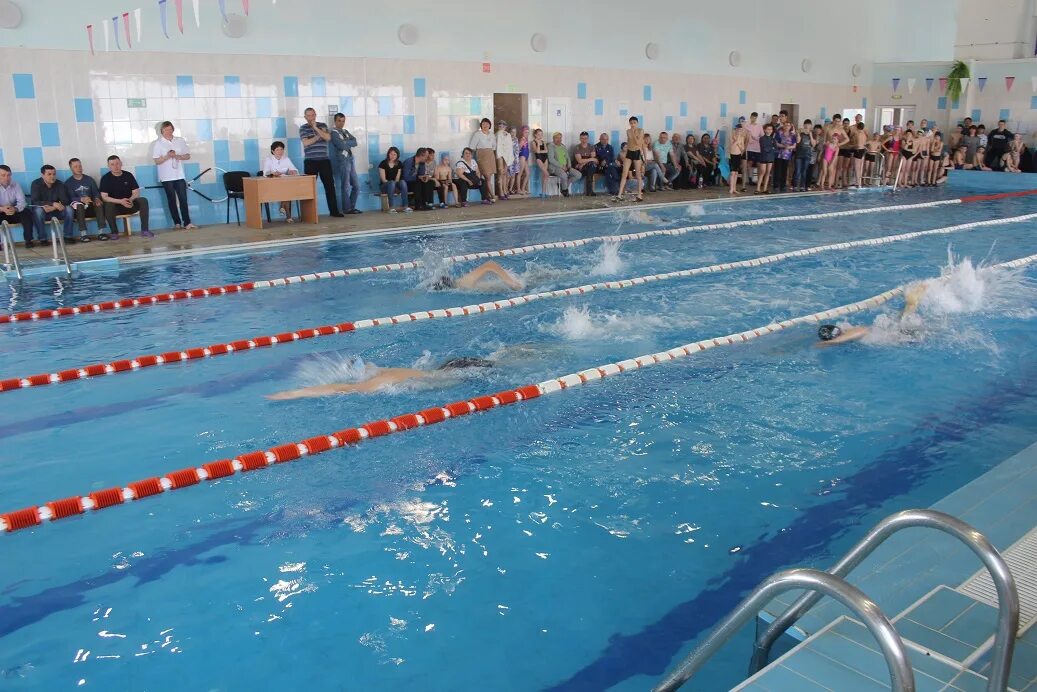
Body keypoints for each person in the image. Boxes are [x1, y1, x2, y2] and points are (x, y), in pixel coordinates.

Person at [266, 356, 496, 400]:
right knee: (500, 361)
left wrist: (296, 393)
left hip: (456, 373)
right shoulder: (382, 371)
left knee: (499, 367)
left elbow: (344, 389)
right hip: (449, 368)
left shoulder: (379, 381)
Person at [816, 284, 926, 347]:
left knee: (908, 324)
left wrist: (833, 342)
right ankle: (913, 300)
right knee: (901, 319)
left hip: (905, 336)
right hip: (896, 332)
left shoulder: (851, 333)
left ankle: (914, 299)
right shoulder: (848, 333)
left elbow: (863, 330)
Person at [151, 120, 197, 230]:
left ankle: (187, 223)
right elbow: (157, 161)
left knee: (183, 199)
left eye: (170, 129)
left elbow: (187, 155)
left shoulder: (180, 140)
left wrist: (178, 157)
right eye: (166, 130)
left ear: (173, 130)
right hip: (166, 176)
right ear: (161, 131)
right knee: (172, 200)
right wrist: (167, 156)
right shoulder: (158, 143)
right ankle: (177, 222)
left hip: (179, 175)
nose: (168, 132)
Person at [299, 107, 343, 217]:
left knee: (330, 187)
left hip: (324, 161)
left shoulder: (322, 125)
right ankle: (308, 214)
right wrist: (319, 135)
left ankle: (334, 212)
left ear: (315, 115)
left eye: (313, 115)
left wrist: (316, 128)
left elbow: (328, 138)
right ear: (305, 117)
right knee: (309, 189)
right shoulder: (303, 128)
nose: (311, 117)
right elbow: (306, 143)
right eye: (308, 116)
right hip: (310, 161)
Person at [100, 155, 153, 238]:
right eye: (112, 164)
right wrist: (121, 201)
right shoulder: (105, 178)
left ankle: (145, 230)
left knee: (143, 200)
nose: (115, 166)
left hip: (129, 204)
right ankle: (114, 233)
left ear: (121, 163)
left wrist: (130, 200)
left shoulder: (128, 175)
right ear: (108, 166)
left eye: (117, 163)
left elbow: (136, 192)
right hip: (116, 208)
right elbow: (104, 197)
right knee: (108, 205)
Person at [29, 164, 75, 246]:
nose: (52, 176)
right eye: (49, 174)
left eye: (54, 174)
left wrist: (54, 207)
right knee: (38, 210)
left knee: (69, 209)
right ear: (42, 175)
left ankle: (68, 236)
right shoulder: (36, 184)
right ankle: (43, 238)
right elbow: (35, 201)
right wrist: (53, 203)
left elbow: (65, 200)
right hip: (43, 212)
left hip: (57, 211)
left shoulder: (59, 184)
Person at [65, 157, 108, 241]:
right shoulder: (68, 183)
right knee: (79, 206)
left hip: (90, 205)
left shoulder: (89, 179)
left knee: (99, 204)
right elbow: (69, 198)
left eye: (80, 166)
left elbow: (96, 193)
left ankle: (101, 232)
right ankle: (83, 234)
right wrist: (81, 199)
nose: (79, 168)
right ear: (71, 168)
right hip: (78, 208)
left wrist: (96, 199)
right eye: (75, 166)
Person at [330, 113, 361, 215]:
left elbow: (355, 142)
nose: (341, 123)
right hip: (343, 160)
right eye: (339, 120)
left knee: (356, 185)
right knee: (345, 185)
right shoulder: (333, 133)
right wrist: (347, 142)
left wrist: (345, 142)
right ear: (335, 121)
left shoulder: (345, 131)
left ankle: (351, 207)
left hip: (351, 159)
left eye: (343, 121)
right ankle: (347, 208)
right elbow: (340, 145)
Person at [261, 141, 300, 222]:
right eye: (277, 149)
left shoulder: (286, 159)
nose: (280, 152)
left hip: (285, 184)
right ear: (273, 151)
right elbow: (265, 172)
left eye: (281, 149)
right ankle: (288, 216)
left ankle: (283, 208)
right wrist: (273, 173)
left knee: (286, 190)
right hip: (272, 184)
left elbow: (295, 170)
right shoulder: (268, 159)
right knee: (287, 192)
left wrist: (291, 172)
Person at [428, 259, 525, 291]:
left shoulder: (464, 282)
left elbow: (490, 265)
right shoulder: (462, 288)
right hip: (506, 287)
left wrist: (512, 283)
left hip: (516, 282)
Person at [615, 116, 646, 202]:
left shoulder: (641, 131)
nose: (632, 125)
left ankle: (639, 195)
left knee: (638, 175)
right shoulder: (628, 131)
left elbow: (637, 142)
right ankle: (619, 195)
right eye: (631, 123)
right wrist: (632, 132)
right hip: (629, 152)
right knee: (624, 174)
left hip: (637, 153)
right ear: (629, 123)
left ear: (637, 123)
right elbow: (631, 142)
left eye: (634, 123)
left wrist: (633, 132)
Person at [0, 165, 32, 243]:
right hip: (1, 213)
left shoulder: (15, 185)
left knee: (27, 212)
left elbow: (22, 202)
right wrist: (2, 209)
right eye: (3, 175)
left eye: (8, 175)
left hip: (13, 211)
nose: (6, 178)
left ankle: (28, 240)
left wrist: (15, 208)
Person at [470, 118, 498, 202]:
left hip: (490, 155)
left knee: (488, 176)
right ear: (481, 125)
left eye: (487, 124)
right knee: (486, 176)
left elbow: (494, 146)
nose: (485, 125)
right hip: (481, 155)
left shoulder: (492, 135)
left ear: (490, 125)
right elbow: (472, 147)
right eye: (483, 124)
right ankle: (491, 195)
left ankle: (487, 196)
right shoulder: (477, 134)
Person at [547, 132, 581, 196]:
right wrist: (561, 166)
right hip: (555, 167)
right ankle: (565, 190)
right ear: (553, 138)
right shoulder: (551, 146)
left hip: (566, 167)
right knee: (564, 175)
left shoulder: (563, 146)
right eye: (557, 138)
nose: (559, 139)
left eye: (560, 138)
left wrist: (569, 166)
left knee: (578, 175)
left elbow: (567, 157)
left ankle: (562, 186)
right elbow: (551, 160)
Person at [378, 146, 410, 213]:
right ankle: (391, 207)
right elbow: (383, 180)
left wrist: (394, 186)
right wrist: (392, 184)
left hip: (395, 185)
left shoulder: (399, 164)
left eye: (394, 154)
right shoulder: (383, 164)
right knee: (391, 183)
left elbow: (397, 179)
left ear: (397, 155)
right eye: (391, 154)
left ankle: (405, 206)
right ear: (388, 154)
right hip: (385, 186)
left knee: (403, 182)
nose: (392, 156)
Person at [574, 131, 599, 196]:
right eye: (582, 138)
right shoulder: (577, 147)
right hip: (580, 168)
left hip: (588, 166)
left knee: (591, 166)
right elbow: (579, 161)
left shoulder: (591, 146)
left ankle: (589, 191)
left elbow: (594, 160)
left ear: (588, 139)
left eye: (585, 138)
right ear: (580, 139)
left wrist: (584, 162)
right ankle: (590, 191)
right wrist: (590, 160)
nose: (584, 140)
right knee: (591, 166)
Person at [793, 121, 814, 192]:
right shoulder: (800, 132)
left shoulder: (813, 134)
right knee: (798, 171)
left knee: (804, 171)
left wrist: (810, 135)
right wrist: (798, 133)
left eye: (809, 125)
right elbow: (798, 141)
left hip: (807, 155)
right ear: (804, 125)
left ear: (811, 126)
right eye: (806, 125)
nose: (807, 126)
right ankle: (795, 186)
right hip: (799, 154)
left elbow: (813, 144)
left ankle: (802, 186)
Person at [495, 121, 514, 200]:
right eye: (500, 125)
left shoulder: (508, 135)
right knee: (501, 173)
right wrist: (499, 156)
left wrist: (509, 157)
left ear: (506, 126)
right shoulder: (497, 134)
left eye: (503, 125)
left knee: (505, 173)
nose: (502, 126)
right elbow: (498, 146)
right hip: (500, 155)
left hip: (507, 155)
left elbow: (510, 147)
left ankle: (505, 190)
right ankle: (501, 192)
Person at [745, 112, 764, 188]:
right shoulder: (747, 126)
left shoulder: (759, 126)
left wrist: (756, 138)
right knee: (749, 163)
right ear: (750, 117)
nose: (754, 119)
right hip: (749, 147)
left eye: (755, 117)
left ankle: (760, 180)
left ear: (757, 118)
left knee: (759, 164)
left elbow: (762, 136)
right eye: (752, 117)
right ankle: (750, 179)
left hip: (758, 148)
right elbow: (744, 136)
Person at [728, 122, 748, 194]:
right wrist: (736, 141)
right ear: (735, 130)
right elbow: (731, 147)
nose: (739, 131)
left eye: (741, 130)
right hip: (732, 155)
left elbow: (743, 149)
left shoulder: (742, 138)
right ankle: (731, 188)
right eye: (738, 130)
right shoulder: (731, 136)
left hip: (738, 155)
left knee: (736, 173)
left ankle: (734, 188)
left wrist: (738, 144)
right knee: (732, 173)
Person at [756, 124, 777, 193]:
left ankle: (765, 188)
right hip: (764, 157)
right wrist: (772, 148)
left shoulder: (773, 139)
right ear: (764, 130)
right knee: (762, 172)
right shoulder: (762, 138)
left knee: (768, 173)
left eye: (771, 129)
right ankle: (758, 188)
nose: (769, 131)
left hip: (770, 157)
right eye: (768, 129)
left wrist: (771, 148)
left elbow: (776, 149)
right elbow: (765, 148)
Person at [530, 129, 550, 198]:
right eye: (539, 134)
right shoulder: (533, 142)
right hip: (539, 159)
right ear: (535, 135)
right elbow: (537, 152)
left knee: (544, 176)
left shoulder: (543, 142)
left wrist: (541, 150)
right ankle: (542, 193)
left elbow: (546, 151)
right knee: (547, 174)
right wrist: (538, 144)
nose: (540, 136)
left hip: (545, 159)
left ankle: (543, 193)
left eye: (541, 134)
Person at [513, 126, 530, 196]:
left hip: (525, 158)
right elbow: (518, 148)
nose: (527, 133)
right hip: (522, 157)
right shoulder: (522, 139)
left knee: (528, 173)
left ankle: (523, 188)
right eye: (525, 132)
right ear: (522, 132)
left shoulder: (526, 139)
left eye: (528, 132)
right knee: (520, 174)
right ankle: (518, 189)